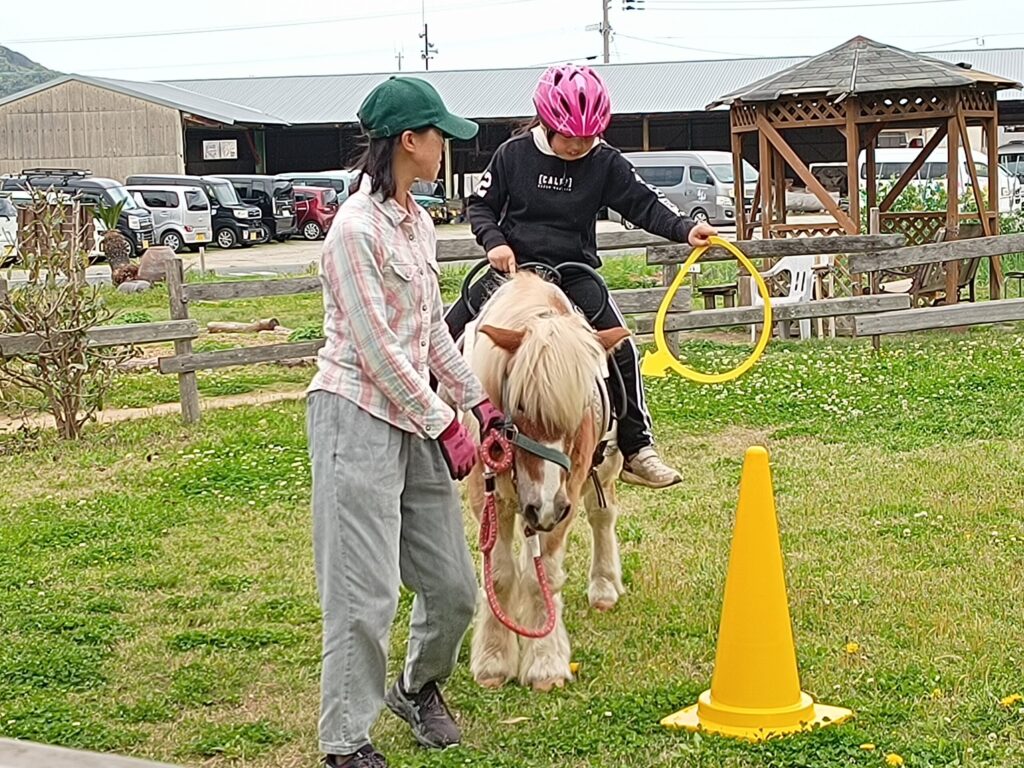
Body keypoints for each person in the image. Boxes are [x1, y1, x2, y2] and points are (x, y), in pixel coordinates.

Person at [306, 76, 506, 768]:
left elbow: (426, 335)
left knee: (452, 586)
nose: (448, 146)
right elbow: (377, 349)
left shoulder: (417, 222)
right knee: (364, 592)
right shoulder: (353, 231)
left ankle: (417, 687)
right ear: (409, 141)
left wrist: (478, 402)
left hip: (414, 412)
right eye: (439, 135)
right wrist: (444, 422)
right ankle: (344, 742)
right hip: (356, 413)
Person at [445, 64, 717, 489]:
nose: (579, 145)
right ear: (547, 124)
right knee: (447, 333)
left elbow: (644, 203)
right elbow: (479, 207)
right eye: (570, 136)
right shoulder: (512, 155)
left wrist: (684, 228)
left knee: (620, 344)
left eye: (589, 137)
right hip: (513, 271)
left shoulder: (605, 161)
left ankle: (637, 448)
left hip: (573, 273)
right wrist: (495, 241)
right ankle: (429, 435)